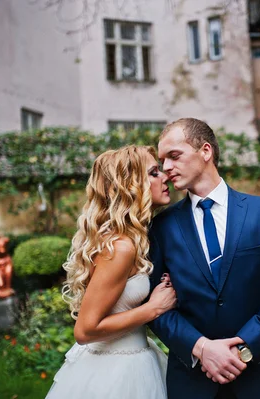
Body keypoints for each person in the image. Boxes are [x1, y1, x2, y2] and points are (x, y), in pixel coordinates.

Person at [149, 118, 260, 399]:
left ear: (205, 151)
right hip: (192, 382)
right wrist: (202, 348)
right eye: (162, 160)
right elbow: (155, 307)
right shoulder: (161, 226)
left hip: (257, 379)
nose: (166, 168)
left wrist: (244, 348)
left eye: (174, 156)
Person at [46, 146, 177, 399]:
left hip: (136, 356)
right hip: (117, 373)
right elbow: (85, 330)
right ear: (131, 185)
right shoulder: (121, 247)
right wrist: (154, 308)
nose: (165, 177)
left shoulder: (133, 239)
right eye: (153, 173)